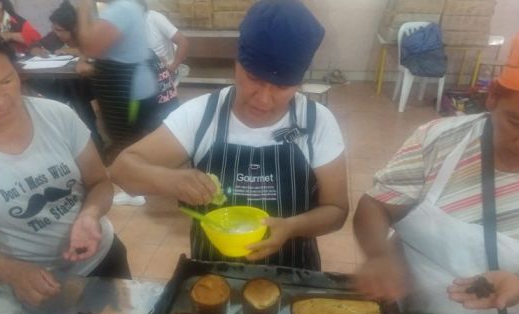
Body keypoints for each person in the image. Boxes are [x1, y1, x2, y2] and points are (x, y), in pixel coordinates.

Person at [110, 0, 348, 270]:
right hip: (212, 277)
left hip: (293, 277)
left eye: (282, 87)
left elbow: (337, 211)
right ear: (236, 63)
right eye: (254, 79)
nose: (264, 100)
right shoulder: (201, 115)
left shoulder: (316, 122)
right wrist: (170, 180)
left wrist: (291, 227)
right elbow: (121, 170)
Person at [353, 27, 519, 314]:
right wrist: (379, 256)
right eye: (515, 121)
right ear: (493, 98)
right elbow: (376, 205)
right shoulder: (439, 139)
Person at [0, 17, 130, 307]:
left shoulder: (57, 115)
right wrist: (6, 270)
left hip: (104, 260)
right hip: (33, 282)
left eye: (6, 80)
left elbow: (99, 182)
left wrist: (89, 216)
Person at [77, 0, 177, 206]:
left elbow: (91, 46)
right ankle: (138, 186)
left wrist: (83, 8)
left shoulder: (122, 8)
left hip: (128, 89)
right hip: (129, 85)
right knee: (130, 137)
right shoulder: (122, 7)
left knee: (127, 140)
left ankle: (135, 191)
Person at [28, 1, 103, 151]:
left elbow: (94, 51)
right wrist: (39, 51)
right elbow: (34, 46)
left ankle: (92, 136)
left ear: (74, 28)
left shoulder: (87, 35)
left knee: (73, 89)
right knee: (38, 81)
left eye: (60, 30)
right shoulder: (55, 37)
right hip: (71, 82)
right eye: (54, 29)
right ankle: (80, 130)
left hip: (93, 82)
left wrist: (72, 51)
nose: (56, 32)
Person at [138, 0, 189, 86]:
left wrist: (173, 67)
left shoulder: (155, 18)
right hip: (142, 73)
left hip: (164, 73)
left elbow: (183, 42)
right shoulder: (125, 24)